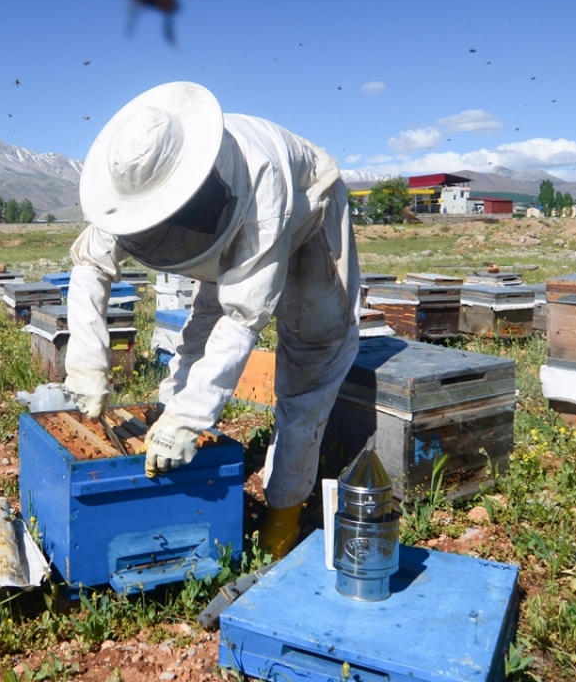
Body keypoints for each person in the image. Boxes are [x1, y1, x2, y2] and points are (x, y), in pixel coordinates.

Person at [63, 81, 360, 558]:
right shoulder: (129, 183)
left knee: (311, 362)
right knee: (197, 336)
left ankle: (284, 508)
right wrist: (86, 363)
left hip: (306, 217)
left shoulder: (259, 181)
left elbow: (243, 317)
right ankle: (167, 448)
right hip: (226, 241)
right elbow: (90, 266)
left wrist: (191, 417)